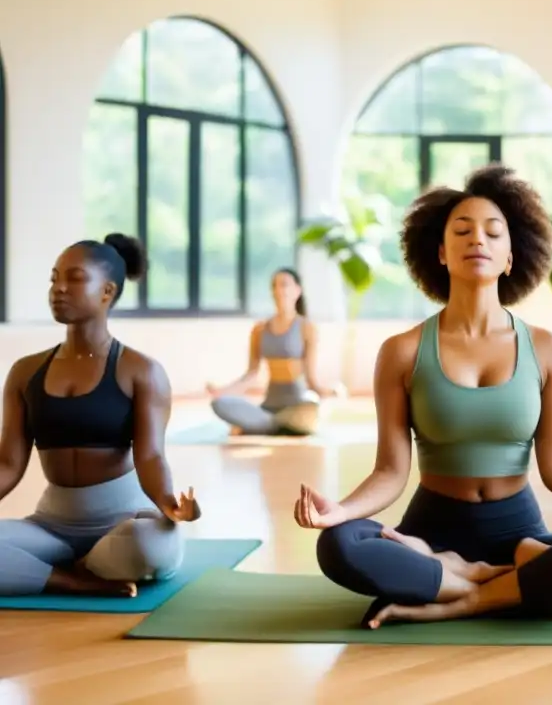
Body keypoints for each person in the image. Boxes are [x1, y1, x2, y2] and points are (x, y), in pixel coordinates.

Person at [294, 164, 552, 629]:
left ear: (511, 256)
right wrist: (340, 511)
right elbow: (390, 470)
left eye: (493, 232)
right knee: (337, 545)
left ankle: (465, 593)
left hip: (519, 530)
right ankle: (512, 582)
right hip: (431, 525)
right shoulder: (402, 352)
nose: (478, 240)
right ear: (441, 253)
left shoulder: (546, 349)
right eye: (462, 231)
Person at [0, 234, 199, 597]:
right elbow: (8, 464)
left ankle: (70, 567)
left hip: (123, 523)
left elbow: (151, 455)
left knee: (149, 546)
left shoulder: (141, 371)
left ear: (107, 291)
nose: (58, 288)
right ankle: (73, 578)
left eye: (74, 278)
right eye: (54, 278)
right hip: (50, 526)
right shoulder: (24, 372)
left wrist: (169, 502)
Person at [207, 268, 335, 436]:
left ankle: (264, 426)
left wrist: (329, 392)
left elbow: (311, 380)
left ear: (297, 291)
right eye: (274, 285)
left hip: (297, 406)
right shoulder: (259, 330)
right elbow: (251, 374)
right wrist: (223, 391)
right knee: (220, 404)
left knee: (310, 406)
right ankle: (275, 425)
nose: (278, 290)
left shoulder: (307, 328)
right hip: (269, 407)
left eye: (284, 285)